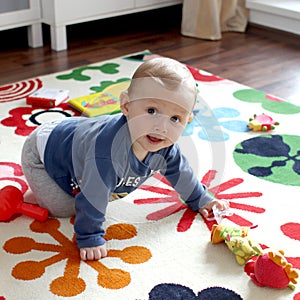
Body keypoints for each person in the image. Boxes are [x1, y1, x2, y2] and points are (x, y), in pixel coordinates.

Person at [21, 57, 229, 261]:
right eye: (151, 111)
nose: (162, 126)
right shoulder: (106, 155)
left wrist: (201, 199)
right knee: (65, 208)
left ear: (187, 120)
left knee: (91, 186)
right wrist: (90, 236)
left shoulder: (163, 144)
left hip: (77, 145)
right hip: (43, 150)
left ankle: (55, 185)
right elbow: (93, 199)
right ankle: (37, 189)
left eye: (175, 118)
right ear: (126, 106)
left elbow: (180, 172)